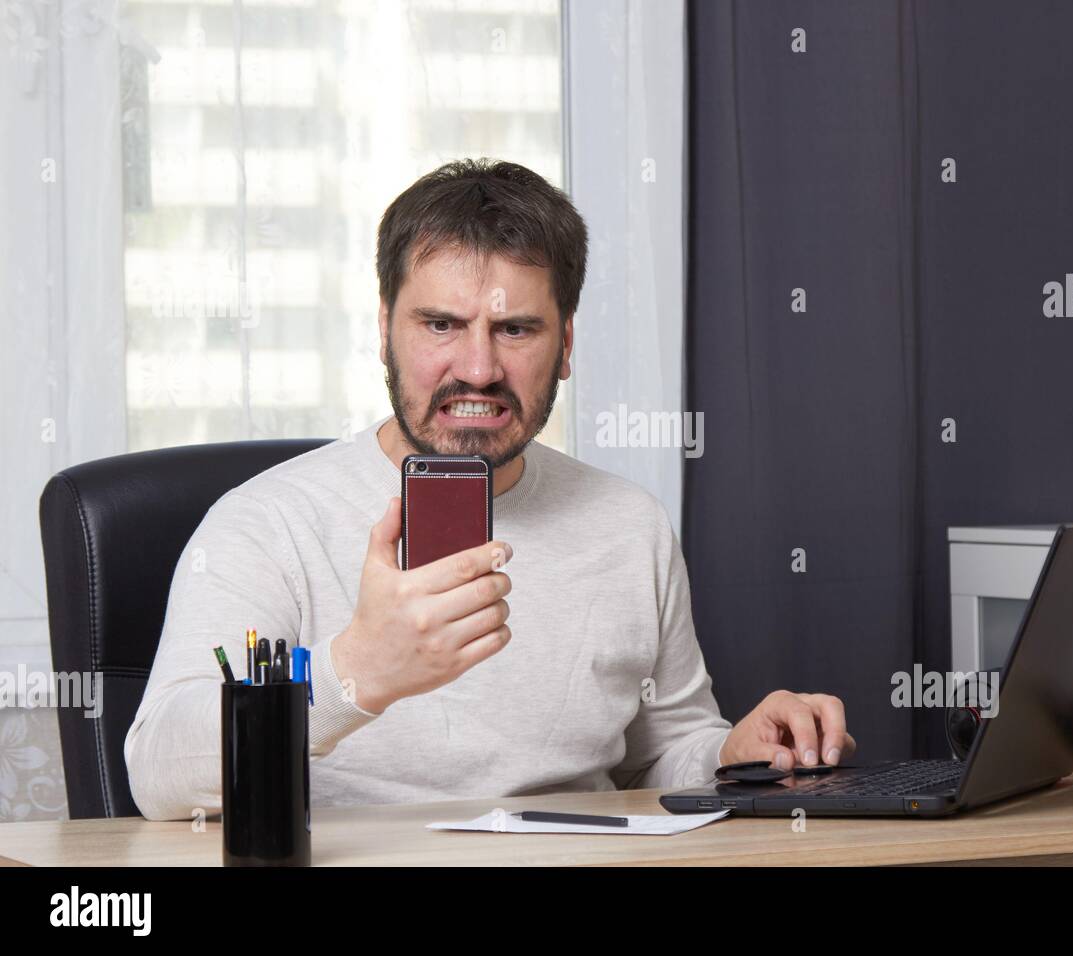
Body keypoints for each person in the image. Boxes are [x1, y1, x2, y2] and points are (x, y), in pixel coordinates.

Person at [124, 158, 855, 820]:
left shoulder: (630, 524)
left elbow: (659, 754)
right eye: (441, 324)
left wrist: (733, 753)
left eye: (515, 329)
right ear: (384, 332)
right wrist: (356, 671)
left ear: (565, 345)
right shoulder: (265, 523)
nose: (478, 369)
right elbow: (158, 773)